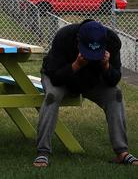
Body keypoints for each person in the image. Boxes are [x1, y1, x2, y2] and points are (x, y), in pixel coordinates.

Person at [33, 20, 138, 167]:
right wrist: (76, 65)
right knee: (52, 96)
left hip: (91, 81)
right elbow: (55, 78)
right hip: (60, 78)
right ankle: (42, 152)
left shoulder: (112, 41)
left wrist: (106, 66)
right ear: (78, 40)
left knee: (115, 94)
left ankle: (122, 152)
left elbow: (114, 80)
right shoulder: (64, 36)